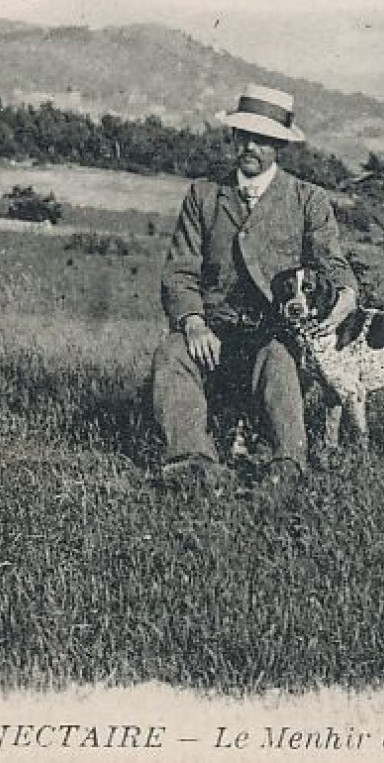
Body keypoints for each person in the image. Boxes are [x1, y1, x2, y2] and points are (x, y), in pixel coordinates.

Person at [151, 84, 357, 495]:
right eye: (244, 136)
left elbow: (334, 268)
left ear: (279, 145)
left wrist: (342, 302)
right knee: (172, 354)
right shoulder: (205, 195)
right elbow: (180, 270)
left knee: (279, 360)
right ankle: (193, 462)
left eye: (263, 139)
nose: (251, 147)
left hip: (273, 334)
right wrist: (192, 323)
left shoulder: (307, 199)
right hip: (215, 332)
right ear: (233, 138)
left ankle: (287, 464)